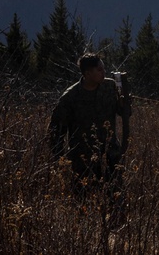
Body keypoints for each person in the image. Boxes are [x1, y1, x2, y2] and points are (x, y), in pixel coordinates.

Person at [49, 53, 132, 223]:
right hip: (81, 158)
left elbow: (124, 112)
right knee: (81, 201)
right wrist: (60, 159)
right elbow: (56, 130)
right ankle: (85, 236)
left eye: (104, 68)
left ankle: (116, 235)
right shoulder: (70, 97)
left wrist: (126, 102)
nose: (104, 72)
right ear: (87, 73)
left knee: (116, 197)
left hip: (110, 154)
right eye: (99, 69)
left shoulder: (110, 87)